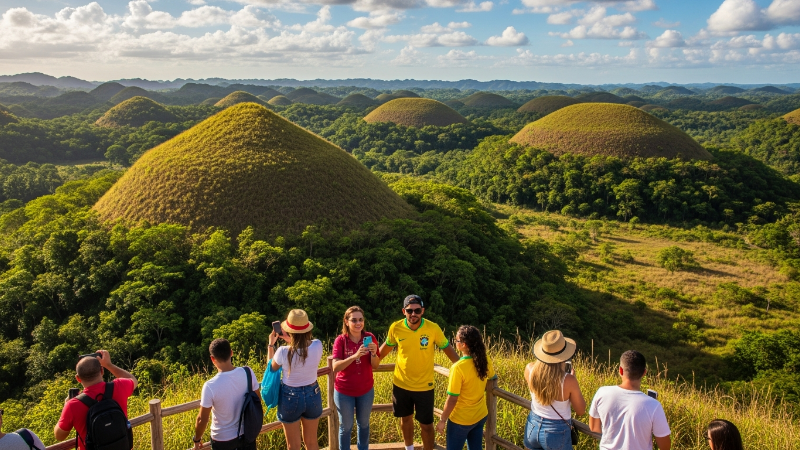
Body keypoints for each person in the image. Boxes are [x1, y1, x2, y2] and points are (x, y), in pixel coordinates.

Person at [378, 294, 459, 450]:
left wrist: (463, 366)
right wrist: (370, 362)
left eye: (417, 310)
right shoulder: (396, 327)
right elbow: (384, 350)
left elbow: (447, 349)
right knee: (405, 419)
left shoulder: (433, 328)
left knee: (427, 425)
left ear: (423, 311)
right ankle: (409, 448)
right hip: (401, 384)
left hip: (424, 385)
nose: (413, 314)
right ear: (404, 311)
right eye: (409, 311)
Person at [54, 350, 137, 450]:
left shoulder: (72, 405)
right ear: (102, 371)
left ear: (78, 378)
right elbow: (133, 380)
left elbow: (59, 436)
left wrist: (65, 405)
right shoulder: (120, 386)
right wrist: (109, 365)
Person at [589, 350, 671, 450]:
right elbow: (665, 446)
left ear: (620, 370)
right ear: (644, 372)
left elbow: (594, 428)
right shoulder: (654, 405)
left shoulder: (601, 393)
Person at [268, 309, 324, 450]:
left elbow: (271, 368)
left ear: (288, 331)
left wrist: (271, 345)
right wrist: (292, 339)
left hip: (290, 397)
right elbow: (303, 347)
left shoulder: (283, 351)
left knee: (293, 446)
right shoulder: (318, 345)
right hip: (313, 393)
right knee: (311, 443)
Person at [435, 325, 497, 450]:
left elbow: (452, 399)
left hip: (461, 419)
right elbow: (492, 377)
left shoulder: (458, 368)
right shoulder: (484, 361)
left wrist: (442, 420)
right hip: (480, 415)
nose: (455, 342)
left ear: (464, 345)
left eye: (457, 340)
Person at [192, 338, 261, 450]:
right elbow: (258, 400)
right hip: (247, 433)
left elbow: (202, 419)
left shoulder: (210, 386)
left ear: (212, 359)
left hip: (222, 440)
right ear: (231, 352)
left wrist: (197, 439)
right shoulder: (247, 372)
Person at [523, 330, 586, 450]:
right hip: (556, 432)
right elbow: (581, 410)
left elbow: (544, 388)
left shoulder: (529, 369)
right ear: (564, 355)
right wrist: (573, 379)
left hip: (533, 424)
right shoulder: (569, 380)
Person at [332, 306, 380, 450]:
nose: (358, 323)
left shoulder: (370, 337)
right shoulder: (340, 340)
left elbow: (376, 365)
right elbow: (335, 367)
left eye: (360, 319)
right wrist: (354, 356)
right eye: (354, 320)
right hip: (344, 391)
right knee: (346, 427)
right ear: (346, 322)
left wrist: (373, 354)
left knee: (364, 424)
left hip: (365, 390)